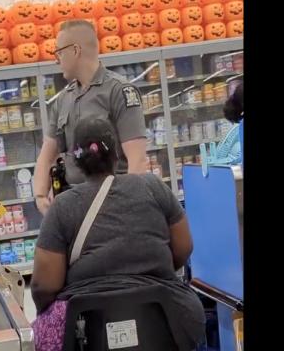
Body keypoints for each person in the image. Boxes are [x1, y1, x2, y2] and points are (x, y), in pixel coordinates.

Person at [30, 118, 205, 351]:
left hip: (87, 332)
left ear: (75, 161)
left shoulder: (63, 206)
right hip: (165, 322)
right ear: (116, 154)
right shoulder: (153, 187)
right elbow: (184, 248)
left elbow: (44, 285)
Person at [33, 19, 148, 216]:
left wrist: (126, 207)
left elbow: (137, 160)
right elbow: (47, 154)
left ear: (75, 50)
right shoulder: (63, 100)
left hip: (113, 201)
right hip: (74, 203)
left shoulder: (118, 91)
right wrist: (40, 197)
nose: (56, 60)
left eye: (59, 52)